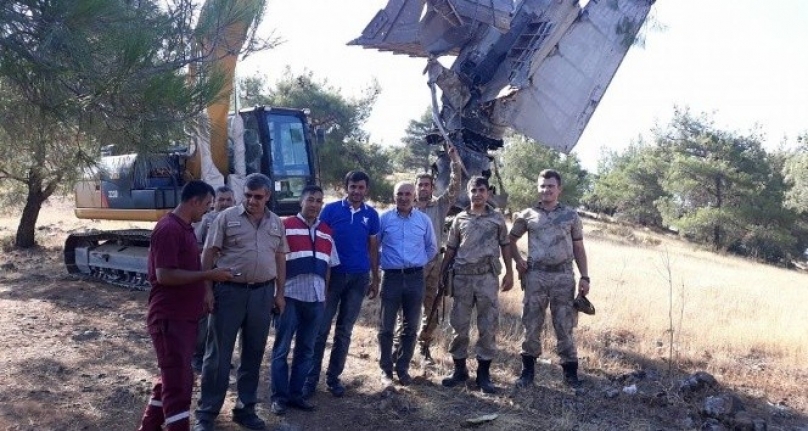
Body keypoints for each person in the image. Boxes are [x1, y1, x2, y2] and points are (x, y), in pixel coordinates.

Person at [136, 180, 234, 431]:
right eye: (207, 205)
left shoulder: (186, 228)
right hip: (170, 318)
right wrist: (207, 276)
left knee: (171, 377)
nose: (209, 211)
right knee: (179, 383)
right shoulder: (168, 229)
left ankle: (149, 427)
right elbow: (165, 275)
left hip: (184, 318)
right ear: (195, 202)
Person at [194, 173, 288, 431]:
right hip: (229, 294)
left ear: (267, 196)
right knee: (218, 356)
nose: (252, 201)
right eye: (248, 195)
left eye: (258, 197)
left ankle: (245, 409)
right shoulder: (226, 218)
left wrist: (279, 294)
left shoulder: (276, 223)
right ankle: (206, 413)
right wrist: (208, 291)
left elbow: (280, 257)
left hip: (262, 295)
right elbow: (208, 253)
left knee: (253, 354)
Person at [508, 169, 590, 389]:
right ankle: (527, 372)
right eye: (542, 186)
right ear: (538, 188)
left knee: (565, 325)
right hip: (536, 276)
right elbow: (510, 240)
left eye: (551, 186)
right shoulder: (527, 215)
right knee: (531, 323)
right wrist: (519, 261)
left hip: (563, 276)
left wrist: (585, 276)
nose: (546, 190)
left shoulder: (571, 216)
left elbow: (579, 247)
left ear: (559, 189)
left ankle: (570, 374)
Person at [303, 170, 380, 399]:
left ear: (366, 190)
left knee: (344, 331)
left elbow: (373, 248)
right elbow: (320, 240)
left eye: (361, 187)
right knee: (320, 330)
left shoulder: (372, 215)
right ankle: (310, 379)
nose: (356, 191)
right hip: (332, 277)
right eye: (353, 187)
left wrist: (376, 278)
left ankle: (333, 378)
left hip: (359, 278)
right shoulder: (331, 210)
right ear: (346, 187)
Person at [269, 185, 339, 416]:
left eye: (319, 201)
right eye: (311, 200)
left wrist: (325, 297)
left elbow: (328, 267)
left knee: (306, 350)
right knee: (281, 350)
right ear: (301, 201)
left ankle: (296, 395)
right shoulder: (285, 225)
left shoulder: (327, 231)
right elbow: (274, 261)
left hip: (315, 300)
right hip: (289, 297)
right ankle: (278, 397)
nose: (315, 205)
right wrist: (277, 294)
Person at [440, 176, 513, 394]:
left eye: (481, 190)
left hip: (487, 279)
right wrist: (443, 273)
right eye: (473, 190)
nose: (477, 194)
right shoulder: (460, 218)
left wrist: (509, 272)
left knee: (487, 326)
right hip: (462, 278)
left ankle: (484, 375)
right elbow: (451, 248)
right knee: (459, 325)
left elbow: (506, 245)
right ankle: (459, 371)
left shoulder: (497, 219)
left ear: (488, 193)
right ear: (468, 193)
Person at [378, 182, 437, 387]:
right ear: (394, 196)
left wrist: (417, 264)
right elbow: (374, 246)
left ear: (414, 196)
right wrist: (383, 264)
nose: (404, 197)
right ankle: (385, 369)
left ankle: (402, 368)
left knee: (410, 327)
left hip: (415, 278)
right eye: (399, 194)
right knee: (386, 327)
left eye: (408, 194)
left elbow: (431, 248)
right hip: (391, 277)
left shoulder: (423, 220)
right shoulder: (384, 219)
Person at [412, 143, 462, 364]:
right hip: (412, 264)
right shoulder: (407, 207)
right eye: (420, 184)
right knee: (408, 306)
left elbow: (455, 186)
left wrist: (455, 162)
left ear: (432, 188)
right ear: (415, 188)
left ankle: (424, 345)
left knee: (430, 308)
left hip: (434, 264)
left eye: (427, 184)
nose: (423, 188)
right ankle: (401, 344)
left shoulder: (439, 206)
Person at [192, 185, 235, 373]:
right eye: (221, 200)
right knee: (204, 319)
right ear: (214, 202)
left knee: (224, 321)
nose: (225, 203)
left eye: (228, 200)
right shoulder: (206, 220)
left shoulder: (238, 219)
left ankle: (219, 356)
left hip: (228, 278)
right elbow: (197, 245)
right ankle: (198, 357)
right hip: (209, 274)